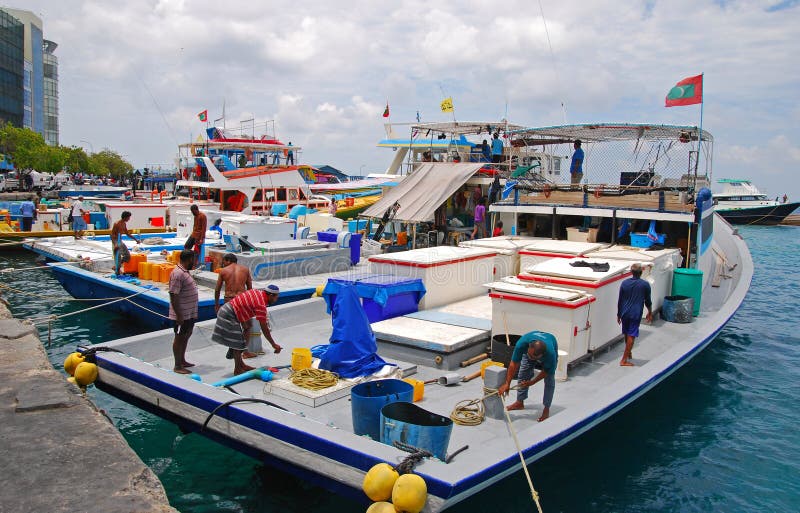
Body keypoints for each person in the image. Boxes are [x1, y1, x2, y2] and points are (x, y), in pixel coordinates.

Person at [211, 286, 283, 375]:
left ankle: (241, 365)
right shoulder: (261, 304)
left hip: (230, 310)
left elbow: (245, 304)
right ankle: (237, 369)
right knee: (238, 343)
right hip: (228, 314)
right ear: (271, 295)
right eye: (276, 297)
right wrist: (273, 344)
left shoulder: (258, 292)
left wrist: (246, 326)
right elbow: (264, 328)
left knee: (245, 332)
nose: (276, 299)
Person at [498, 330, 558, 422]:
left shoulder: (550, 354)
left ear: (542, 356)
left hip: (551, 341)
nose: (530, 358)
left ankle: (546, 409)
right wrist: (507, 383)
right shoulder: (522, 344)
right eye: (529, 354)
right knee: (523, 373)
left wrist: (532, 382)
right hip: (531, 348)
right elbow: (513, 364)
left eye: (533, 357)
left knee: (549, 381)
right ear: (529, 347)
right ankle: (519, 402)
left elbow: (546, 371)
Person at [168, 250, 199, 374]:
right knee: (180, 337)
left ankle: (182, 360)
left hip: (189, 313)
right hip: (182, 315)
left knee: (186, 335)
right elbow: (173, 295)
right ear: (189, 259)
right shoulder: (178, 274)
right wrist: (179, 315)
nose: (195, 262)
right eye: (194, 259)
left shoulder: (185, 272)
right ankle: (177, 366)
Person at [617, 262, 653, 367]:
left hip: (624, 312)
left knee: (626, 333)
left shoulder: (624, 283)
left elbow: (620, 300)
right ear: (641, 272)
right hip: (635, 313)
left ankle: (629, 353)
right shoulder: (645, 285)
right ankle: (623, 360)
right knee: (631, 335)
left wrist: (619, 314)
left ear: (631, 272)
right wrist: (650, 312)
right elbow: (648, 301)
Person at [110, 211, 141, 275]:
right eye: (128, 217)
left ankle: (116, 266)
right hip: (116, 242)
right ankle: (117, 271)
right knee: (117, 257)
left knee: (127, 256)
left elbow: (127, 233)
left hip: (120, 241)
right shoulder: (116, 224)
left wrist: (135, 239)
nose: (129, 219)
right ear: (125, 217)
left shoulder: (124, 224)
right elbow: (112, 235)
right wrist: (115, 244)